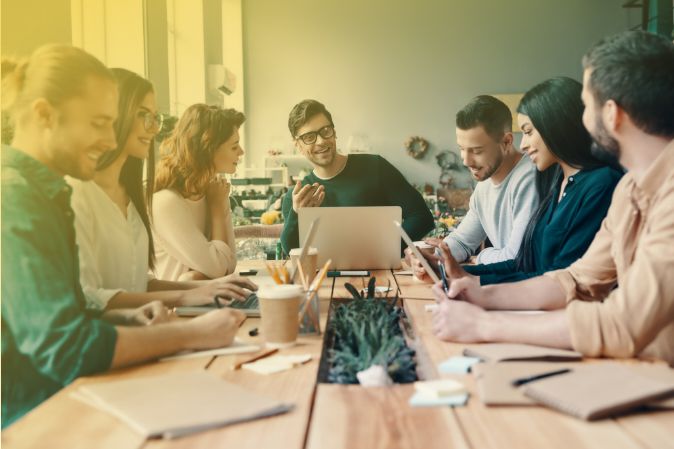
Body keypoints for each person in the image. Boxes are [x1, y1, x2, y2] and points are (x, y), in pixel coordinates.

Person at [1, 45, 244, 427]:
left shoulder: (47, 193)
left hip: (73, 401)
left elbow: (75, 311)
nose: (109, 140)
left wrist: (128, 320)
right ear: (44, 115)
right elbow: (65, 348)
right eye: (99, 123)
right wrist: (190, 333)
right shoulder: (14, 199)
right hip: (38, 420)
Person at [431, 31, 674, 365]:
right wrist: (482, 294)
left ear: (613, 115)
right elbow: (575, 279)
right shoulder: (630, 190)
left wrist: (487, 323)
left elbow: (623, 323)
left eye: (587, 106)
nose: (582, 120)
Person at [68, 69, 256, 310]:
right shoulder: (79, 194)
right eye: (145, 116)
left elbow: (138, 283)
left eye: (155, 118)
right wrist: (187, 294)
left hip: (148, 327)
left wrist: (207, 289)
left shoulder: (130, 196)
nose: (155, 128)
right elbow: (89, 299)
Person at [457, 77, 623, 285]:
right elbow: (527, 264)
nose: (523, 145)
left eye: (528, 132)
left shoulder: (601, 184)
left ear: (555, 125)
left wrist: (477, 283)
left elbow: (561, 279)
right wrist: (460, 273)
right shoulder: (556, 182)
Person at [407, 95, 538, 280]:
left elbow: (517, 258)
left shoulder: (529, 178)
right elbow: (462, 241)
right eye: (462, 148)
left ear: (507, 142)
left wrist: (481, 257)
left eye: (476, 151)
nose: (466, 161)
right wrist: (432, 259)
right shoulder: (484, 183)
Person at [279, 99, 434, 255]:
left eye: (325, 130)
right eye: (309, 137)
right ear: (298, 145)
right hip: (325, 278)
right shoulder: (298, 198)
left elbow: (421, 216)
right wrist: (296, 213)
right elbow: (291, 250)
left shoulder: (375, 166)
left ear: (334, 132)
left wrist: (386, 249)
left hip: (381, 276)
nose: (321, 141)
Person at [151, 104, 245, 281]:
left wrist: (221, 202)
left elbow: (230, 264)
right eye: (234, 147)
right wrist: (218, 208)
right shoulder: (167, 202)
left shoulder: (212, 192)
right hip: (176, 307)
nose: (241, 152)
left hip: (210, 301)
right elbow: (219, 268)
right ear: (208, 149)